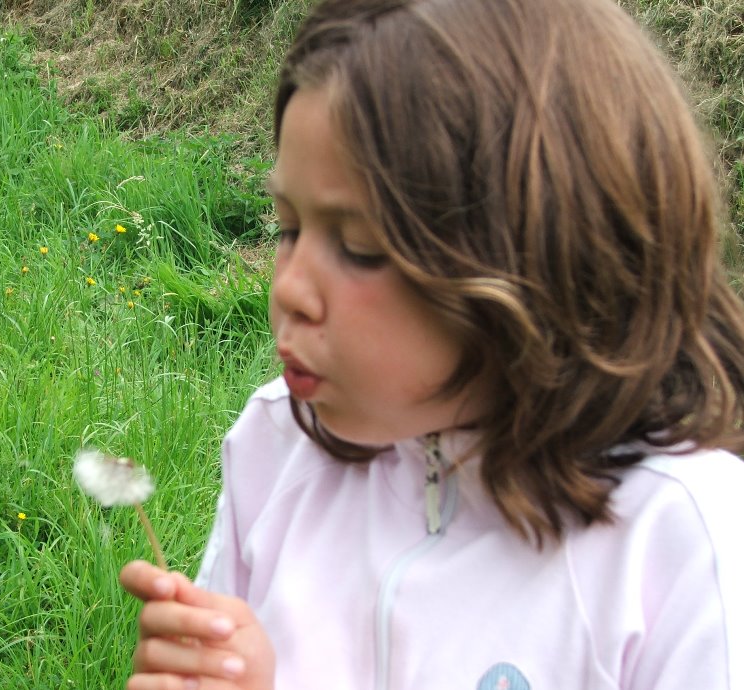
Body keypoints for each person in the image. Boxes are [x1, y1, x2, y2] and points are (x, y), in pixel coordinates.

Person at [120, 0, 744, 687]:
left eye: (358, 247)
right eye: (288, 228)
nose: (291, 287)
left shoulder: (679, 546)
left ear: (535, 259)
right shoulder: (275, 446)